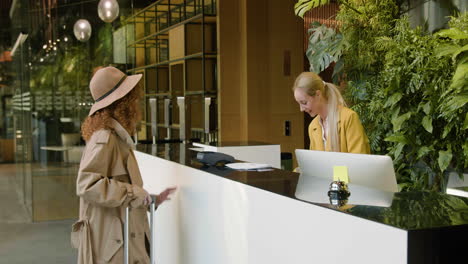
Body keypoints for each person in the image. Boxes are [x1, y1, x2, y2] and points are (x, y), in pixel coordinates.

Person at [71, 66, 176, 264]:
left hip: (119, 240)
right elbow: (87, 184)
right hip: (113, 246)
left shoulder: (114, 136)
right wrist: (134, 193)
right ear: (122, 103)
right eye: (133, 97)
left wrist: (149, 199)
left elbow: (114, 186)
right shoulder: (105, 137)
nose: (137, 103)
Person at [292, 72, 370, 154]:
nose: (301, 109)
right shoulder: (313, 127)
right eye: (299, 103)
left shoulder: (349, 118)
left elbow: (359, 161)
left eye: (304, 102)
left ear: (318, 94)